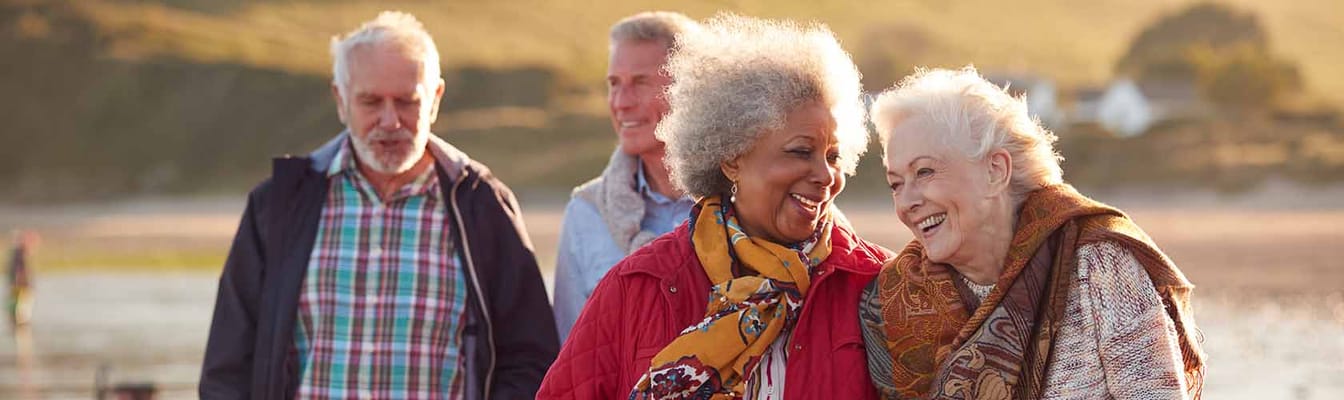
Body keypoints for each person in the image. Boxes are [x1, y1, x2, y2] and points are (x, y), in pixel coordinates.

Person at [199, 12, 558, 399]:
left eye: (407, 102)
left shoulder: (481, 204)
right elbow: (228, 365)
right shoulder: (278, 205)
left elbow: (530, 360)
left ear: (435, 99)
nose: (390, 121)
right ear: (340, 99)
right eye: (371, 102)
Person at [538, 13, 890, 399]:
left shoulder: (878, 286)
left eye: (834, 156)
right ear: (731, 158)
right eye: (801, 152)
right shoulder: (637, 284)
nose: (825, 175)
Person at [860, 66, 1206, 399]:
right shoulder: (894, 299)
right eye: (895, 184)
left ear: (995, 171)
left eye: (924, 172)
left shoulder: (1097, 265)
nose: (907, 202)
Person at [551, 11, 699, 342]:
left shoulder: (754, 204)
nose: (620, 103)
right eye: (614, 84)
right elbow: (570, 359)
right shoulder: (585, 213)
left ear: (690, 90)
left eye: (640, 82)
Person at [6, 230, 36, 327]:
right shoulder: (19, 254)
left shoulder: (16, 254)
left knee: (16, 311)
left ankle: (16, 326)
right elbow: (18, 271)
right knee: (20, 314)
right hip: (20, 287)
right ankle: (18, 327)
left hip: (18, 287)